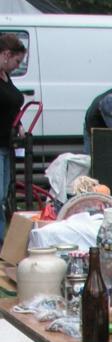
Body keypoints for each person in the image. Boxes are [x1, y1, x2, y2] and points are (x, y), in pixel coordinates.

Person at [0, 33, 26, 242]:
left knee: (3, 196)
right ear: (6, 54)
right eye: (17, 61)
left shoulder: (5, 77)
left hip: (5, 145)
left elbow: (10, 106)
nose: (17, 66)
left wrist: (18, 124)